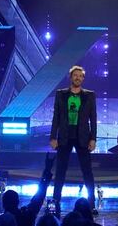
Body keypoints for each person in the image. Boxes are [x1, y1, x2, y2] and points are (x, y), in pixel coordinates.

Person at [50, 66, 98, 216]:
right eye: (75, 75)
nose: (77, 78)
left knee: (87, 172)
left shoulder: (89, 95)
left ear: (83, 79)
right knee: (60, 171)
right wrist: (53, 137)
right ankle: (55, 202)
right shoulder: (61, 94)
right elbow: (56, 116)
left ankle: (91, 204)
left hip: (83, 137)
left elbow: (93, 119)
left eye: (80, 76)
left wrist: (93, 138)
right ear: (71, 78)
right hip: (64, 136)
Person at [1, 154, 54, 226]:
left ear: (3, 204)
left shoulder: (0, 221)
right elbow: (39, 197)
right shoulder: (26, 216)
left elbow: (38, 198)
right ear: (17, 202)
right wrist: (47, 170)